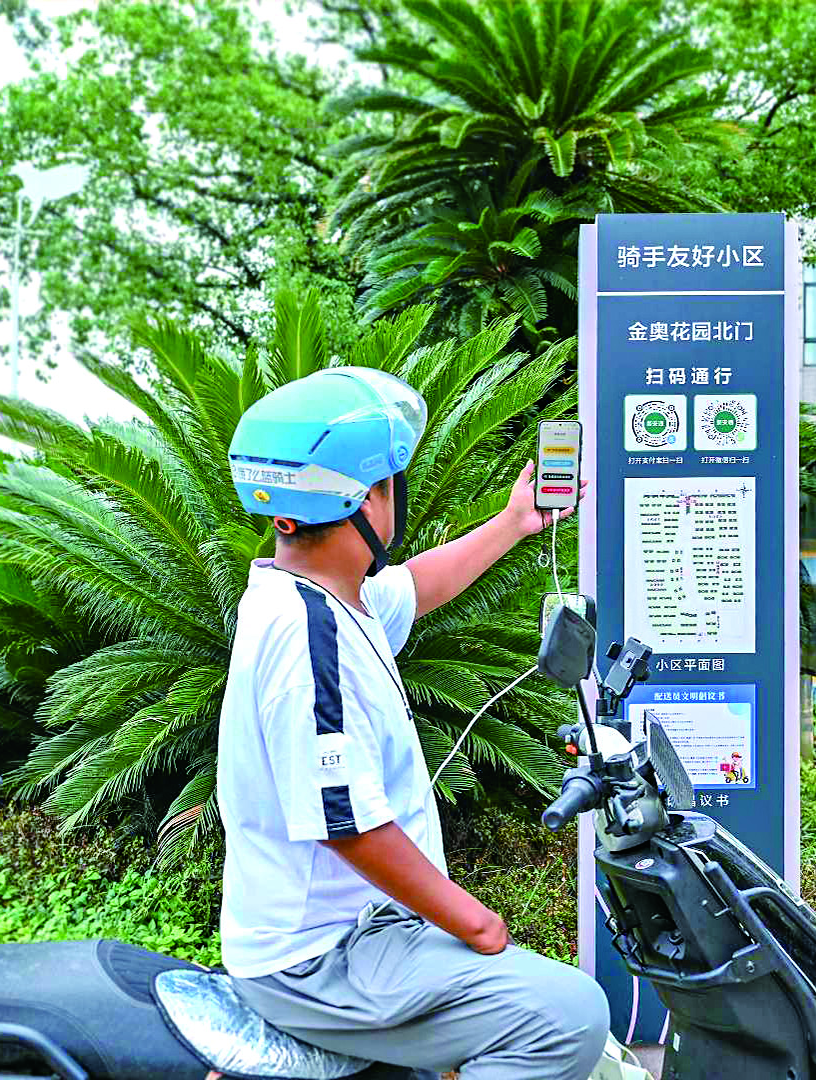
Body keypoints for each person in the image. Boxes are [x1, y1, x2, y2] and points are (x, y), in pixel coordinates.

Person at [218, 366, 609, 1080]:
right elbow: (347, 825)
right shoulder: (311, 639)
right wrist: (475, 922)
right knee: (568, 1018)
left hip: (356, 930)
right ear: (367, 497)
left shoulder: (322, 598)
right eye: (393, 480)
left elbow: (416, 584)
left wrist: (515, 522)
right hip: (323, 955)